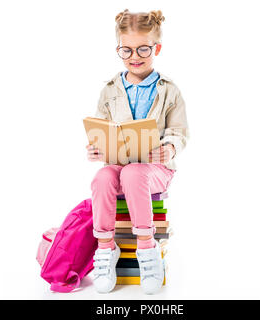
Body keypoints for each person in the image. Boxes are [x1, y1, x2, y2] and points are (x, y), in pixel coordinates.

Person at [86, 9, 190, 294]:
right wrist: (98, 149)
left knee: (134, 174)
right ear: (118, 49)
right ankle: (106, 248)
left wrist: (169, 148)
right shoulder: (109, 90)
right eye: (126, 49)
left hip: (156, 170)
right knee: (103, 177)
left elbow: (179, 131)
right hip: (121, 166)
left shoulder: (169, 90)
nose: (135, 56)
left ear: (156, 47)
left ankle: (147, 248)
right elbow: (101, 129)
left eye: (143, 48)